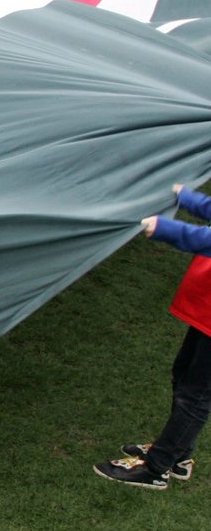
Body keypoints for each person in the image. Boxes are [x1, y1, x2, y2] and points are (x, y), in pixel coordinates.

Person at [95, 185, 211, 488]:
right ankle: (177, 452)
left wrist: (162, 228)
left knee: (195, 395)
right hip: (207, 314)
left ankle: (156, 467)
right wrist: (186, 196)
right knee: (184, 376)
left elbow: (203, 239)